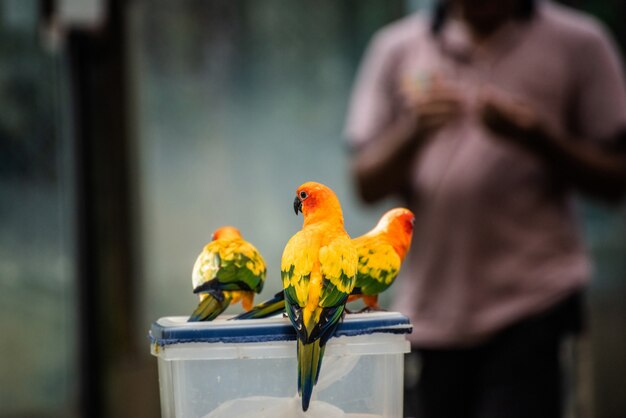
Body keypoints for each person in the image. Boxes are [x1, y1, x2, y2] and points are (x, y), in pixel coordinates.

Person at [344, 1, 626, 417]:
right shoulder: (397, 47)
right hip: (432, 316)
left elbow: (615, 180)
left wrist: (539, 138)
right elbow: (364, 183)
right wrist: (414, 132)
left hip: (534, 306)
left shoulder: (579, 42)